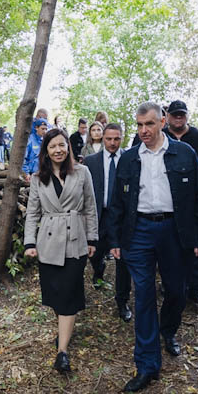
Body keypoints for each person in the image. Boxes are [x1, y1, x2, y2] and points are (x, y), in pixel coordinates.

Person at [105, 102, 198, 393]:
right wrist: (114, 241)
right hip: (139, 231)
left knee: (176, 291)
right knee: (143, 295)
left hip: (175, 231)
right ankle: (147, 364)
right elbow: (117, 203)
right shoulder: (129, 158)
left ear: (162, 122)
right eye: (139, 125)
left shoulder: (184, 153)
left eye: (149, 124)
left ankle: (167, 331)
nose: (144, 130)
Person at [23, 128, 99, 374]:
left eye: (62, 145)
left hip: (76, 240)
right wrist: (29, 243)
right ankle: (64, 329)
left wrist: (92, 238)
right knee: (56, 295)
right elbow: (32, 213)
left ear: (68, 147)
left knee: (69, 294)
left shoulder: (82, 172)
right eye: (53, 146)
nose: (58, 150)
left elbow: (90, 207)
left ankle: (62, 352)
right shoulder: (38, 178)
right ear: (46, 150)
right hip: (48, 243)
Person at [165, 100, 198, 306]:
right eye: (174, 114)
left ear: (187, 116)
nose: (178, 118)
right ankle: (170, 286)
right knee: (170, 249)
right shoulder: (160, 136)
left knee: (196, 250)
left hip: (194, 203)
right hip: (167, 203)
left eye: (182, 114)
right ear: (167, 116)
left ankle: (195, 290)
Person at [82, 123, 133, 321]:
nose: (112, 143)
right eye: (109, 139)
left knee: (123, 261)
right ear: (102, 138)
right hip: (99, 216)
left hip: (122, 218)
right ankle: (99, 269)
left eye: (116, 139)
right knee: (95, 253)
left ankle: (122, 300)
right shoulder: (91, 161)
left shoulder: (130, 159)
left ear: (122, 138)